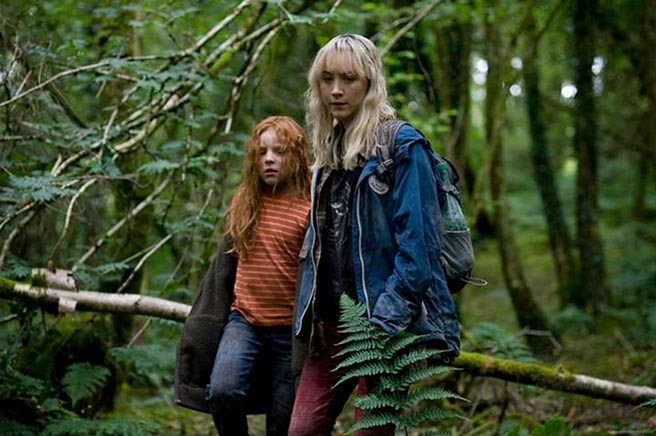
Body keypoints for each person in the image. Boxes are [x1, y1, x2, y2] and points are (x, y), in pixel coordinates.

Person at [288, 34, 461, 435]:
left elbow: (420, 250)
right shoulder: (328, 150)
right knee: (301, 430)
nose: (336, 90)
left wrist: (385, 324)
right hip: (330, 326)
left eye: (348, 78)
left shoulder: (403, 147)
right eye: (327, 78)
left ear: (370, 82)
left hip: (384, 325)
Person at [174, 115, 311, 436]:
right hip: (244, 321)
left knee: (281, 423)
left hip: (288, 333)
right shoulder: (245, 202)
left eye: (279, 151)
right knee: (222, 391)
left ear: (296, 156)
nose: (269, 159)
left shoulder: (309, 208)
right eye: (262, 152)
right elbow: (223, 268)